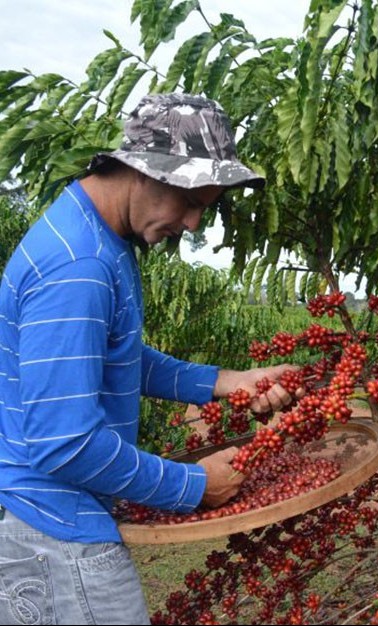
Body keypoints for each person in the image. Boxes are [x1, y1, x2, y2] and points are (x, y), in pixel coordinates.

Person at [0, 93, 300, 624]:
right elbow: (65, 446)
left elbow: (115, 358)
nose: (191, 224)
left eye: (204, 207)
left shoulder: (97, 237)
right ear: (142, 170)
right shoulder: (80, 267)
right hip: (57, 528)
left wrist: (228, 381)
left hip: (55, 519)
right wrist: (192, 485)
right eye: (190, 202)